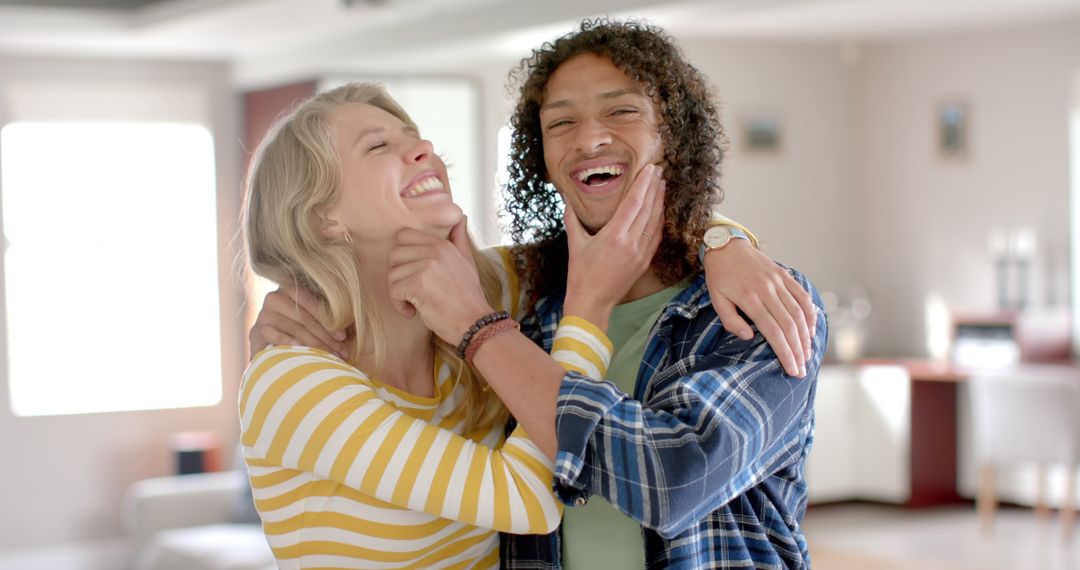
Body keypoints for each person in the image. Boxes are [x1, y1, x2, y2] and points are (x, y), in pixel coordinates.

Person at [250, 19, 827, 569]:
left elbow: (674, 480)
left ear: (675, 136)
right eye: (561, 122)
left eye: (622, 110)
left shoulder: (757, 307)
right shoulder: (530, 294)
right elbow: (524, 496)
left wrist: (721, 238)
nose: (590, 138)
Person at [238, 82, 653, 568]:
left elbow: (623, 239)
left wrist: (721, 243)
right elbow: (529, 501)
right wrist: (588, 306)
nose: (424, 148)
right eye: (378, 146)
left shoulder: (484, 291)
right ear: (321, 217)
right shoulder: (292, 383)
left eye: (413, 136)